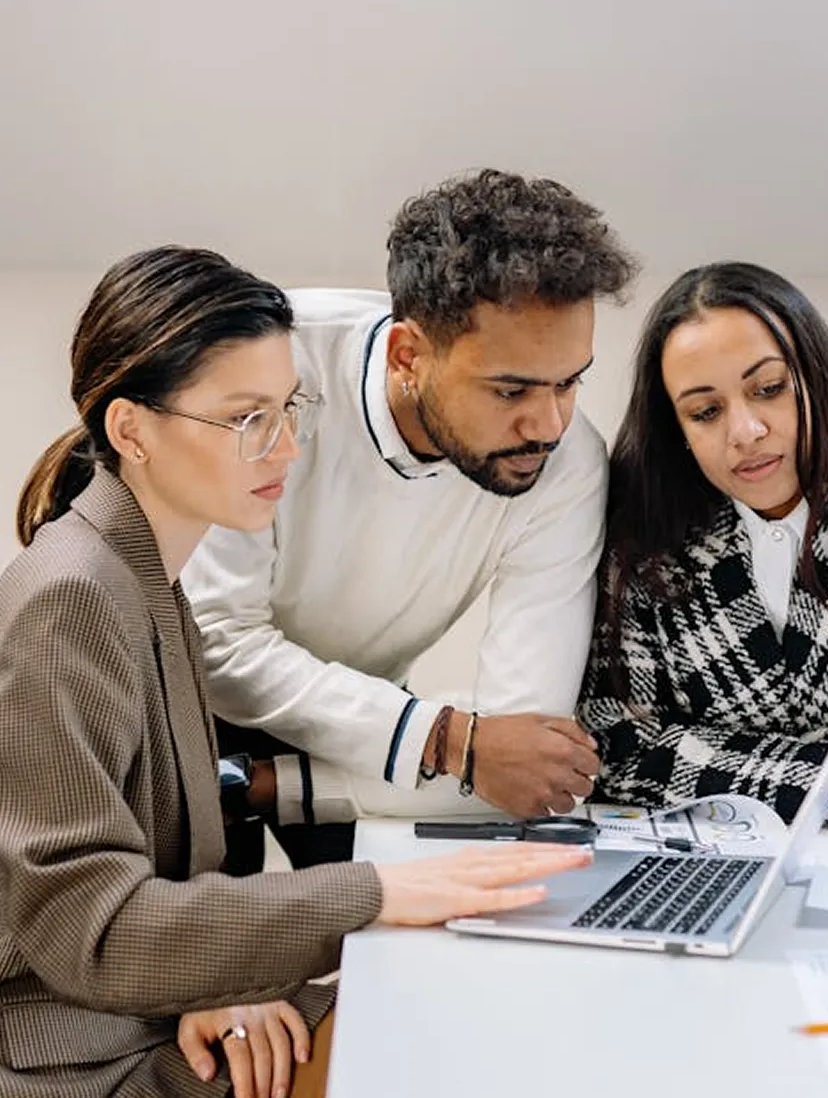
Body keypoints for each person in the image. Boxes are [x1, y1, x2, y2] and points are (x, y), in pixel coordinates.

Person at [0, 245, 593, 1098]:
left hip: (146, 1010)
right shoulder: (72, 596)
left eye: (291, 410)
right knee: (441, 1033)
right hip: (73, 1052)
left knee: (452, 995)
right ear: (132, 430)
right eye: (248, 420)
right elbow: (86, 928)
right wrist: (374, 892)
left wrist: (215, 985)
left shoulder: (145, 579)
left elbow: (157, 890)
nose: (287, 448)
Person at [181, 169, 637, 865]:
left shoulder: (568, 462)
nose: (549, 423)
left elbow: (520, 752)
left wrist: (447, 746)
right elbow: (218, 646)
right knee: (205, 953)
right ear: (408, 355)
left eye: (571, 380)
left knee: (402, 936)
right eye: (510, 388)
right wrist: (450, 740)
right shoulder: (271, 370)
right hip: (191, 709)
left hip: (377, 719)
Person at [578, 261, 828, 824]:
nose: (745, 432)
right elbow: (617, 744)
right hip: (711, 863)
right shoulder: (646, 548)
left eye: (768, 389)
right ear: (678, 431)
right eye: (706, 412)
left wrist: (708, 758)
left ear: (814, 376)